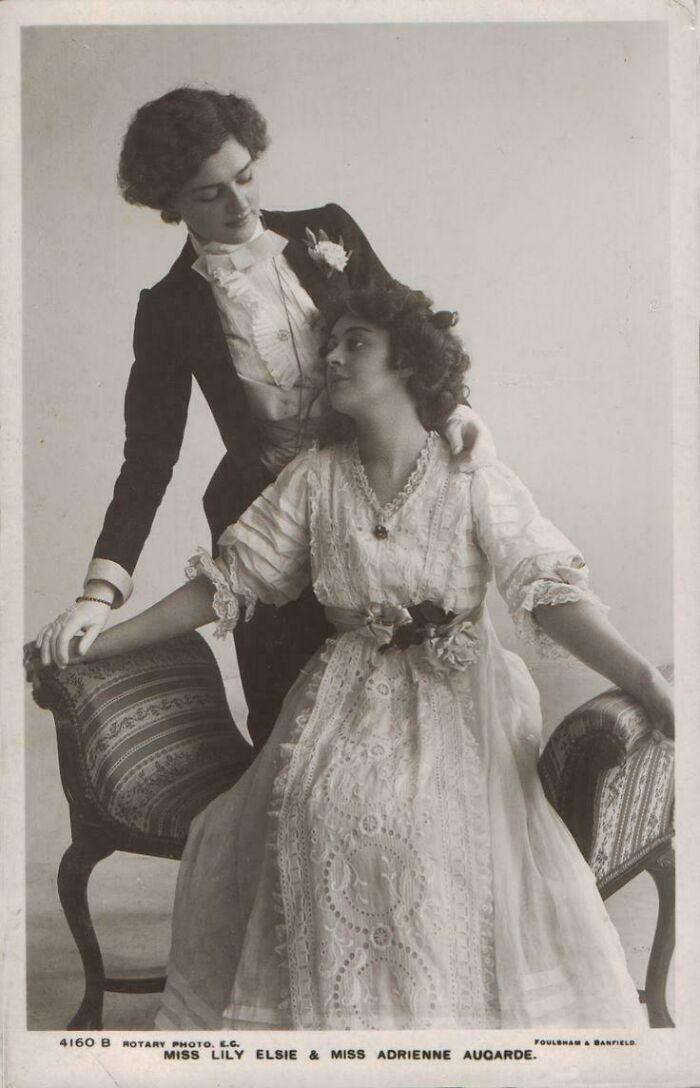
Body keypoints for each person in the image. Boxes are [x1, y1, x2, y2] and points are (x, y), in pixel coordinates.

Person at [59, 283, 673, 1030]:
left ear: (408, 364)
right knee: (318, 811)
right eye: (331, 343)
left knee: (423, 828)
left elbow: (548, 594)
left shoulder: (473, 475)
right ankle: (340, 1016)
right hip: (343, 693)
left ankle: (434, 1022)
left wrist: (643, 677)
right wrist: (98, 635)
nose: (332, 357)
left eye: (355, 343)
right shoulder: (315, 478)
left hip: (460, 693)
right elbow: (224, 585)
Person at [35, 87, 494, 749]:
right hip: (265, 519)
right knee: (288, 728)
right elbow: (149, 455)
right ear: (169, 204)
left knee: (408, 707)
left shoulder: (326, 229)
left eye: (245, 177)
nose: (239, 203)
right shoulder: (168, 307)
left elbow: (410, 332)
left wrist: (454, 413)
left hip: (378, 503)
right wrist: (98, 593)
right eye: (209, 193)